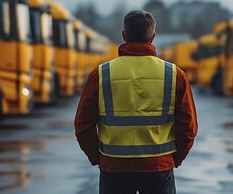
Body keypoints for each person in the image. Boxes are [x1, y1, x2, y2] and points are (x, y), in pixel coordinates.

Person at [74, 10, 198, 194]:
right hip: (159, 167)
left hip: (114, 167)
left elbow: (82, 125)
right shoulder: (174, 75)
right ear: (153, 37)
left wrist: (99, 158)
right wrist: (173, 159)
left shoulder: (101, 74)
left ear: (124, 35)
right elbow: (189, 127)